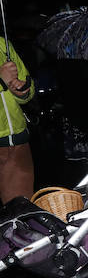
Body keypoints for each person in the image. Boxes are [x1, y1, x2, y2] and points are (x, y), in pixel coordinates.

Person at [0, 38, 35, 204]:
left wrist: (21, 90)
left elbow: (28, 86)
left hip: (15, 143)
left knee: (21, 212)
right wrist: (1, 81)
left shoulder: (2, 43)